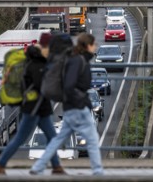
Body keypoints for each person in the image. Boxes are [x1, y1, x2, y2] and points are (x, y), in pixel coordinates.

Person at [30, 33, 104, 175]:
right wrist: (83, 101)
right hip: (78, 107)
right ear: (87, 46)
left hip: (71, 107)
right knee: (93, 140)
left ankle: (38, 166)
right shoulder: (78, 60)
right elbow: (70, 85)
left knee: (58, 139)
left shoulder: (77, 59)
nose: (95, 47)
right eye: (93, 44)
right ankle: (98, 171)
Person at [0, 33, 66, 175]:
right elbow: (41, 85)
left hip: (41, 107)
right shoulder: (36, 63)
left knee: (52, 137)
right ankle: (0, 165)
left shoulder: (40, 61)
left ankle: (57, 167)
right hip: (33, 108)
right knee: (20, 139)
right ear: (44, 47)